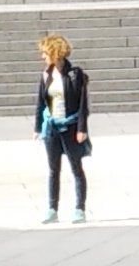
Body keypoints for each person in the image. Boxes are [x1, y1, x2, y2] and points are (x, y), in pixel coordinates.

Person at [34, 33, 90, 224]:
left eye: (45, 53)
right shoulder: (46, 75)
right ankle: (52, 209)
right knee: (53, 170)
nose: (43, 57)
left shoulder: (75, 74)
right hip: (52, 127)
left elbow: (83, 104)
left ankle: (80, 208)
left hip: (71, 126)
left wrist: (82, 129)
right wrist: (37, 128)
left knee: (76, 168)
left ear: (55, 53)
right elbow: (40, 103)